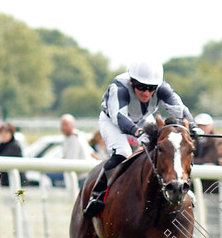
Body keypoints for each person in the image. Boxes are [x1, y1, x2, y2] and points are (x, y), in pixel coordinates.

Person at [83, 60, 196, 218]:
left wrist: (193, 126)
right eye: (141, 87)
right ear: (132, 82)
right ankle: (97, 195)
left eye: (151, 89)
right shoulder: (120, 88)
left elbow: (181, 110)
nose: (146, 93)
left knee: (163, 150)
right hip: (112, 122)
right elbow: (119, 118)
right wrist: (137, 132)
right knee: (123, 151)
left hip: (142, 119)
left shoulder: (163, 88)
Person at [0, 122, 24, 187]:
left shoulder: (14, 146)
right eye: (2, 133)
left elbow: (2, 158)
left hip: (17, 181)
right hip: (7, 181)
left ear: (11, 134)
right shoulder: (1, 145)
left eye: (6, 133)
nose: (3, 135)